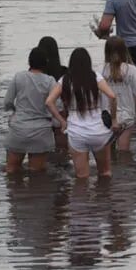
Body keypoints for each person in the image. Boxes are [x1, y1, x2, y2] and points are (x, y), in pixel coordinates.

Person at [45, 48, 118, 178]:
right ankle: (105, 197)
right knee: (105, 173)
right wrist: (113, 120)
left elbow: (49, 102)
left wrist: (62, 122)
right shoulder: (95, 77)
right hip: (98, 131)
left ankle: (82, 198)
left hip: (76, 132)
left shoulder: (65, 80)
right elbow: (112, 96)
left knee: (82, 177)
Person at [4, 47, 57, 174]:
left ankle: (13, 193)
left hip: (18, 130)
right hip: (41, 132)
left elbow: (7, 102)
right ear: (46, 63)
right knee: (36, 174)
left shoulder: (18, 77)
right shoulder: (50, 81)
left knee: (11, 170)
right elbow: (57, 106)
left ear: (29, 62)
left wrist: (14, 113)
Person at [101, 36, 136, 151]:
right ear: (124, 50)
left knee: (109, 151)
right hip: (126, 116)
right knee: (123, 150)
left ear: (106, 52)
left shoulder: (101, 71)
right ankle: (124, 168)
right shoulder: (132, 70)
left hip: (106, 116)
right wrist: (132, 102)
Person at [37, 35, 68, 151]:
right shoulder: (65, 73)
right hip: (62, 120)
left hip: (39, 121)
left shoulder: (33, 77)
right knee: (62, 153)